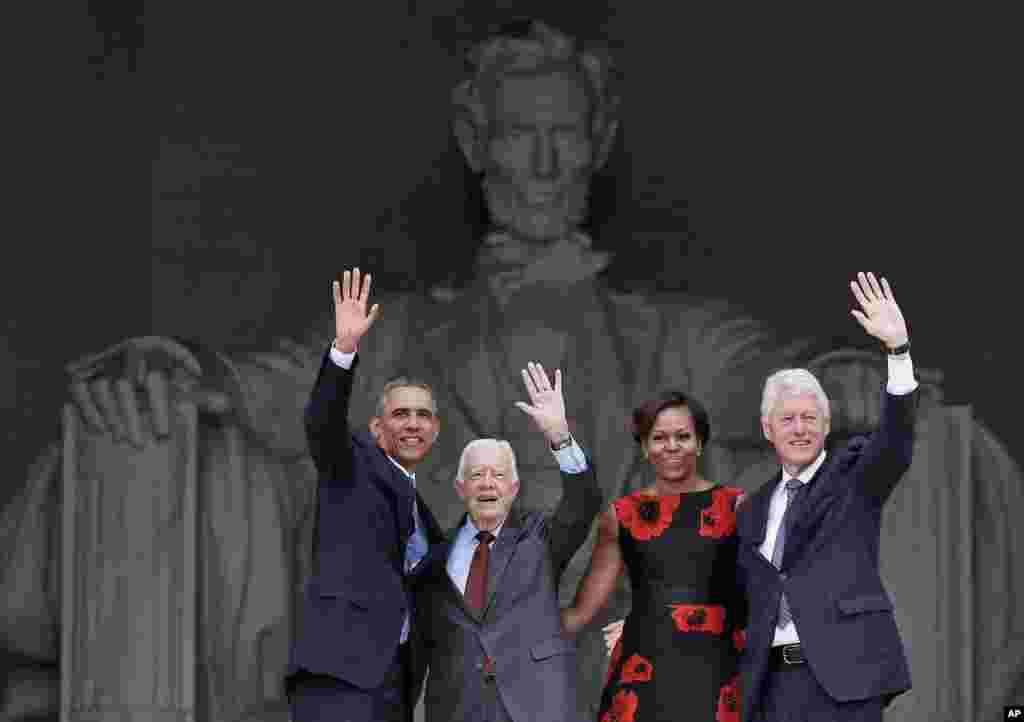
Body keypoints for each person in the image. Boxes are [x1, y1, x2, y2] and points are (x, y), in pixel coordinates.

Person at [2, 20, 1023, 722]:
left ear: (598, 144)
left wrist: (851, 374)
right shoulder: (401, 330)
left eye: (563, 135)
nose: (541, 165)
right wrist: (172, 367)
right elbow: (269, 383)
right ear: (475, 145)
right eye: (518, 136)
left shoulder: (672, 330)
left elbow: (783, 375)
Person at [736, 272, 917, 722]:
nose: (799, 428)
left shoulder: (854, 475)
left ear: (827, 424)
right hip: (774, 682)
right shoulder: (753, 507)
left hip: (845, 678)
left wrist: (898, 351)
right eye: (788, 419)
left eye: (809, 418)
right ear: (767, 430)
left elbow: (895, 442)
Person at [286, 267, 446, 722]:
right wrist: (344, 349)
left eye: (422, 415)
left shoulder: (425, 517)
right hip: (339, 679)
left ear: (434, 430)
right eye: (400, 414)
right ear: (376, 429)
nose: (412, 423)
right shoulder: (351, 464)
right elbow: (322, 421)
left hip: (392, 687)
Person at [412, 361, 601, 722]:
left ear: (514, 489)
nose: (487, 483)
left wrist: (559, 434)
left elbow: (583, 503)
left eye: (498, 475)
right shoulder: (435, 558)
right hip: (457, 710)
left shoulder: (539, 539)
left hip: (534, 707)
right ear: (460, 488)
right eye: (477, 475)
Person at [558, 386, 746, 722]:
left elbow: (760, 593)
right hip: (643, 672)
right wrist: (511, 625)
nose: (671, 446)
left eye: (683, 436)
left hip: (718, 670)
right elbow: (579, 614)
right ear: (644, 447)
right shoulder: (621, 515)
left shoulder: (737, 507)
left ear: (700, 443)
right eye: (658, 437)